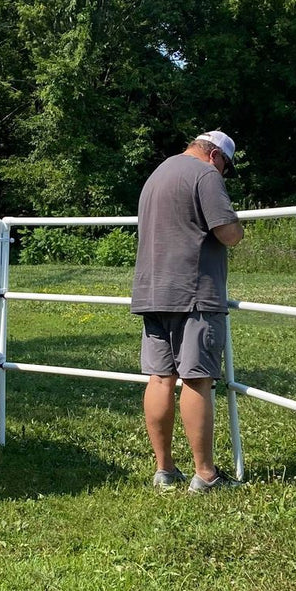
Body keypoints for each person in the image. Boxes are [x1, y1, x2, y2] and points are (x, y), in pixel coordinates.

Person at [130, 131, 245, 493]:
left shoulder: (158, 173)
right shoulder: (205, 175)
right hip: (193, 291)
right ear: (214, 157)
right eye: (226, 166)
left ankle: (164, 470)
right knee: (197, 380)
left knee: (160, 379)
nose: (224, 174)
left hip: (152, 291)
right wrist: (238, 225)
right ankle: (206, 474)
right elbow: (228, 233)